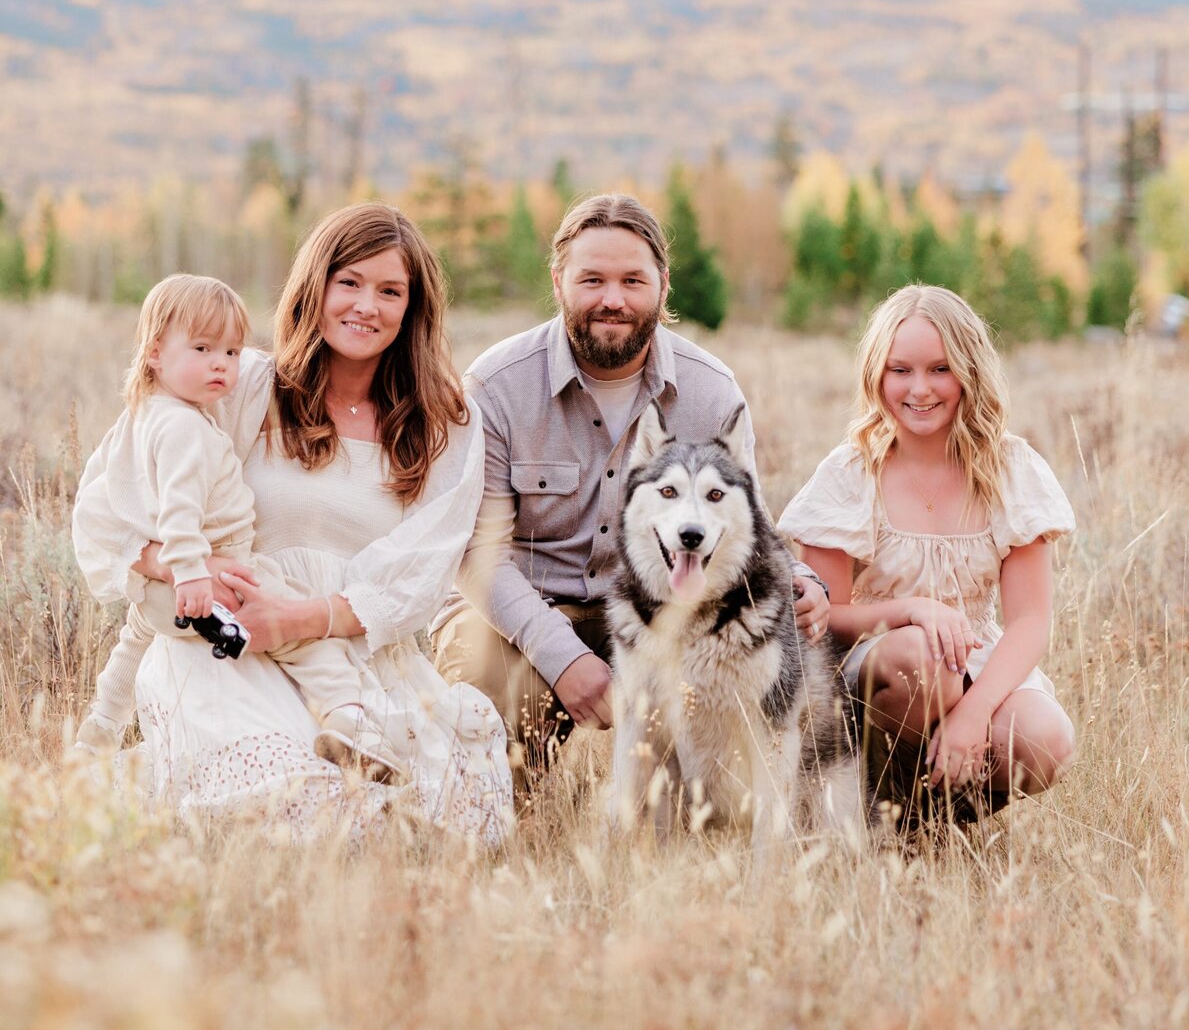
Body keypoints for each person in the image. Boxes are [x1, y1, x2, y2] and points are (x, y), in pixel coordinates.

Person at [72, 205, 512, 846]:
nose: (367, 305)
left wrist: (301, 619)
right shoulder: (243, 383)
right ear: (317, 286)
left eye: (390, 291)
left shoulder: (446, 423)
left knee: (436, 813)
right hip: (230, 648)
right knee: (290, 797)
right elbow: (110, 488)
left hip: (354, 656)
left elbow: (421, 571)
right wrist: (173, 562)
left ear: (413, 308)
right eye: (349, 282)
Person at [430, 192, 829, 767]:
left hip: (664, 608)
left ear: (663, 286)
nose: (611, 300)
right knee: (485, 688)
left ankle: (695, 821)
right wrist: (561, 656)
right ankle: (507, 822)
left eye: (632, 281)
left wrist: (802, 579)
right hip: (522, 608)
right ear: (559, 279)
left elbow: (746, 523)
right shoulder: (497, 385)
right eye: (591, 280)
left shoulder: (710, 390)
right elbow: (477, 552)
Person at [73, 272, 404, 780]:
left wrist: (169, 572)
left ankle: (96, 736)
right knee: (303, 630)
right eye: (203, 348)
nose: (221, 365)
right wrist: (189, 572)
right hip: (214, 574)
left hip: (163, 590)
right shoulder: (184, 427)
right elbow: (180, 511)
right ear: (155, 352)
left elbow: (126, 494)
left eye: (230, 352)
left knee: (131, 644)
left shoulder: (150, 414)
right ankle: (349, 720)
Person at [778, 284, 1076, 807]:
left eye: (940, 369)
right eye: (901, 370)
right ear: (877, 374)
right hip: (874, 671)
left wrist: (973, 712)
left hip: (973, 664)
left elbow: (1030, 621)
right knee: (923, 655)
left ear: (970, 371)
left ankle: (935, 814)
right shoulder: (851, 473)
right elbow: (823, 620)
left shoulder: (1010, 469)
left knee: (1045, 736)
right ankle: (873, 804)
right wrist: (914, 610)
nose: (920, 389)